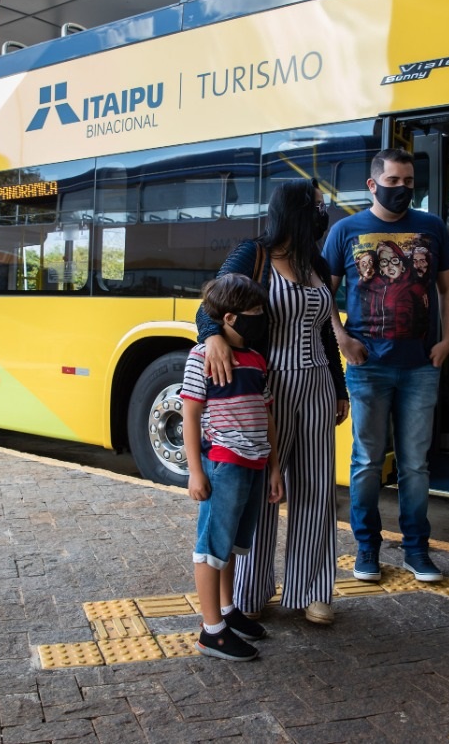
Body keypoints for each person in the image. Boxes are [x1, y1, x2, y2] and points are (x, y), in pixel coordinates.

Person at [196, 179, 348, 626]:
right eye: (318, 207)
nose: (323, 214)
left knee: (317, 490)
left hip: (318, 383)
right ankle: (251, 589)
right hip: (267, 384)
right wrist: (213, 340)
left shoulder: (316, 263)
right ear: (296, 212)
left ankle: (313, 590)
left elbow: (326, 329)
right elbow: (210, 306)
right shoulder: (253, 254)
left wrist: (338, 388)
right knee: (261, 490)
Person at [323, 148, 449, 584]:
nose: (402, 188)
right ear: (373, 184)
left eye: (408, 181)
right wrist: (341, 338)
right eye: (394, 181)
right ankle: (367, 548)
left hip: (420, 366)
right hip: (367, 368)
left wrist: (448, 341)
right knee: (366, 461)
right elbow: (323, 293)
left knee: (415, 465)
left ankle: (417, 549)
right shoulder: (346, 231)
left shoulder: (432, 228)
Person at [182, 273, 284, 661]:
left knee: (231, 546)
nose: (261, 318)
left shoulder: (257, 360)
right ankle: (211, 632)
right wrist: (195, 471)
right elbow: (190, 415)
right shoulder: (202, 358)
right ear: (229, 319)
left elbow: (267, 414)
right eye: (254, 312)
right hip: (224, 464)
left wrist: (273, 468)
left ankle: (226, 611)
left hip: (255, 464)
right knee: (211, 548)